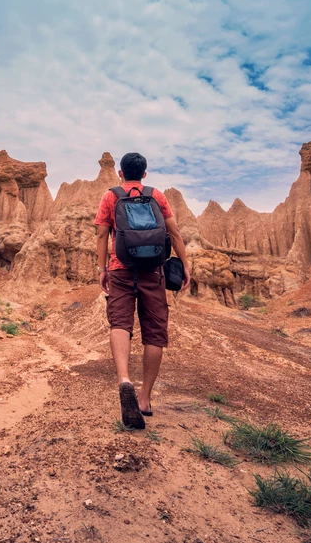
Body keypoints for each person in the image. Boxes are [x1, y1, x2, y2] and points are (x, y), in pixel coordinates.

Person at [94, 152, 190, 429]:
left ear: (120, 173)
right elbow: (174, 233)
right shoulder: (156, 195)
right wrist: (185, 265)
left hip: (120, 269)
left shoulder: (110, 196)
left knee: (120, 323)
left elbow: (102, 234)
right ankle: (145, 399)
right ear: (144, 174)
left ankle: (124, 379)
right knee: (155, 333)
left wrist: (102, 270)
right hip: (153, 272)